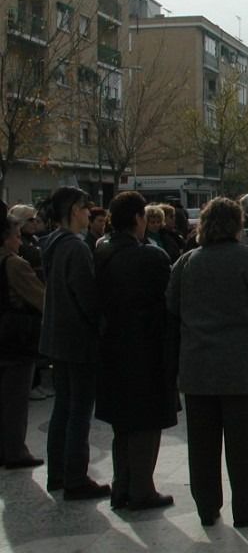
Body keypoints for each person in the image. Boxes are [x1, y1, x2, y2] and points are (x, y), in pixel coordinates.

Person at [166, 197, 248, 528]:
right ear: (237, 225)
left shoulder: (187, 261)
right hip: (237, 368)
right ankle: (247, 508)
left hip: (196, 367)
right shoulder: (247, 258)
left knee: (202, 445)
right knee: (243, 445)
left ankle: (207, 508)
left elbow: (171, 304)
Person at [95, 191, 178, 510]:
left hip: (112, 346)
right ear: (138, 219)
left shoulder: (101, 250)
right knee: (146, 423)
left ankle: (122, 485)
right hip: (146, 349)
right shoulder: (151, 257)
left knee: (123, 425)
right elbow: (168, 302)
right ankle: (141, 488)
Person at [40, 187, 109, 500]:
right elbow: (87, 298)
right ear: (71, 210)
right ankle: (75, 477)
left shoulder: (52, 243)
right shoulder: (76, 248)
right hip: (77, 339)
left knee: (64, 407)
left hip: (57, 336)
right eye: (84, 208)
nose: (88, 214)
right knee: (79, 409)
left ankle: (58, 474)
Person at [0, 214, 46, 469]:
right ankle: (15, 451)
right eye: (17, 237)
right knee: (15, 399)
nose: (20, 242)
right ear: (6, 239)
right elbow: (40, 299)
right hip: (15, 339)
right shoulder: (14, 264)